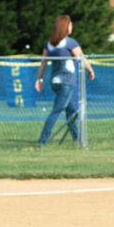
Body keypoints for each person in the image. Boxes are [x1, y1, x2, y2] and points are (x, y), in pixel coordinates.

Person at [34, 15, 95, 145]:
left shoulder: (49, 44)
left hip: (55, 82)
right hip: (67, 82)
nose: (72, 26)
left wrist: (39, 79)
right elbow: (82, 58)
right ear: (64, 27)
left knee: (72, 111)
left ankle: (77, 140)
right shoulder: (70, 42)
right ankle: (43, 140)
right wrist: (90, 70)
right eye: (70, 25)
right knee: (57, 110)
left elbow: (43, 63)